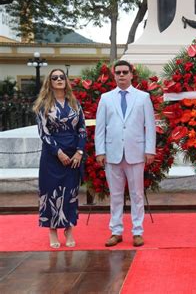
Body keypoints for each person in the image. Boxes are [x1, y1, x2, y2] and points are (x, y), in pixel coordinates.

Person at [95, 60, 156, 247]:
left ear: (131, 74)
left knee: (137, 194)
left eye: (124, 72)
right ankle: (116, 231)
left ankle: (137, 231)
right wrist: (100, 151)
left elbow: (150, 126)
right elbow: (100, 127)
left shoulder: (143, 97)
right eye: (118, 72)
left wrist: (149, 150)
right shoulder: (106, 98)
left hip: (136, 153)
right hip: (112, 153)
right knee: (115, 194)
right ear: (113, 75)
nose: (121, 75)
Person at [33, 69, 87, 248]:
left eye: (61, 77)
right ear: (49, 82)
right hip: (52, 156)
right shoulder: (43, 105)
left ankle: (69, 229)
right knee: (51, 193)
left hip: (73, 156)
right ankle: (52, 231)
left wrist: (79, 151)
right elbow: (44, 133)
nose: (58, 80)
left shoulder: (74, 103)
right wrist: (59, 153)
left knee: (70, 193)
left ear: (66, 81)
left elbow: (82, 128)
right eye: (54, 78)